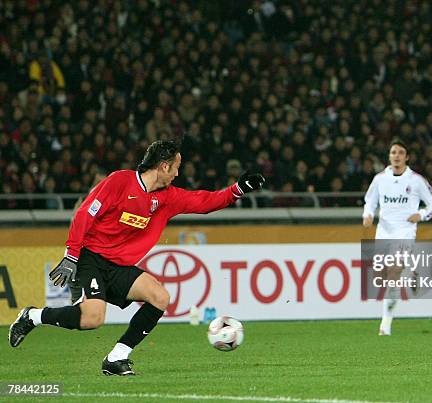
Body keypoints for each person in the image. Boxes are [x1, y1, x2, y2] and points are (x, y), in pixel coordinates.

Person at [9, 140, 265, 375]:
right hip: (91, 257)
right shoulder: (119, 182)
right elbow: (85, 214)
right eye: (176, 167)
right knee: (92, 319)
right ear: (163, 166)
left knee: (160, 297)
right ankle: (31, 316)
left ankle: (117, 358)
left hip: (119, 266)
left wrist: (237, 189)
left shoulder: (168, 197)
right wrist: (72, 255)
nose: (177, 173)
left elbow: (204, 201)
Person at [363, 139, 432, 336]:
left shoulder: (415, 180)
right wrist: (368, 215)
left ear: (406, 157)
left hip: (405, 232)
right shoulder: (380, 179)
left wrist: (421, 215)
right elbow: (370, 201)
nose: (396, 155)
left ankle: (385, 325)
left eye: (400, 152)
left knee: (394, 271)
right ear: (389, 156)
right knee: (381, 277)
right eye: (393, 152)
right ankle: (413, 271)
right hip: (384, 231)